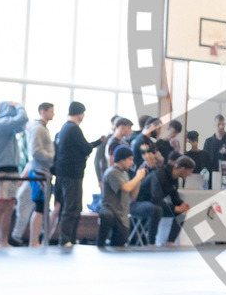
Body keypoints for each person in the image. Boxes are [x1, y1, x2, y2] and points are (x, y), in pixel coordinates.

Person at [53, 102, 105, 249]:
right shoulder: (73, 129)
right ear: (80, 113)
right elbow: (86, 147)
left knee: (70, 206)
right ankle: (66, 238)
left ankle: (68, 238)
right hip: (72, 174)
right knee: (72, 207)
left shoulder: (64, 129)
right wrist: (98, 142)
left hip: (63, 173)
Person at [11, 102, 55, 247]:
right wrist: (52, 156)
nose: (53, 114)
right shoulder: (37, 129)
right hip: (38, 173)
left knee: (37, 206)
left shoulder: (41, 129)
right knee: (39, 207)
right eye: (51, 111)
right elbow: (36, 152)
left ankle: (25, 238)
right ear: (43, 111)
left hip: (38, 172)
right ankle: (32, 240)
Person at [98, 146, 147, 248]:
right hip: (110, 210)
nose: (132, 163)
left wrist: (138, 180)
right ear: (122, 159)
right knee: (107, 216)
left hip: (122, 214)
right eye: (130, 159)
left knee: (120, 244)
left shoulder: (124, 173)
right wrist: (138, 177)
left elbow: (132, 197)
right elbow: (126, 188)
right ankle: (101, 244)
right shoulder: (111, 172)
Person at [0, 101, 28, 247]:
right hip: (2, 171)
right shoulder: (2, 124)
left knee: (9, 208)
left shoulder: (9, 128)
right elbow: (22, 118)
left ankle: (3, 240)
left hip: (12, 170)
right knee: (0, 207)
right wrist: (18, 106)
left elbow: (22, 126)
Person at [150, 155, 196, 244]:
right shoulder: (160, 174)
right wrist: (175, 208)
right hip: (144, 201)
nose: (190, 175)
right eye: (190, 171)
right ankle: (151, 242)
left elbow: (175, 197)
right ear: (182, 169)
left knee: (181, 213)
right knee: (157, 209)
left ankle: (170, 242)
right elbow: (156, 198)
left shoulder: (174, 178)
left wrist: (182, 205)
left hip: (156, 202)